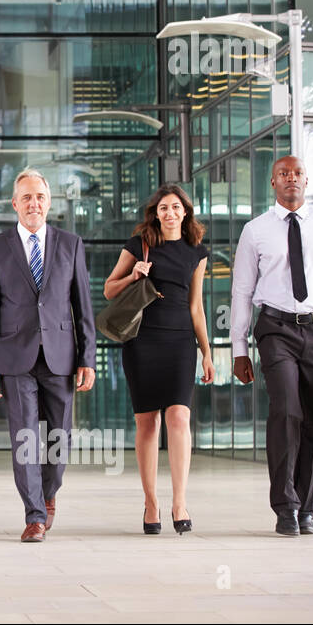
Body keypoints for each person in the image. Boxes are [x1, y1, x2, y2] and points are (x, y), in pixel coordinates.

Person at [230, 155, 313, 536]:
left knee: (312, 421)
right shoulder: (255, 230)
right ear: (272, 182)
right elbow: (241, 290)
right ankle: (285, 506)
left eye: (298, 173)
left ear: (307, 181)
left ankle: (307, 507)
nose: (291, 179)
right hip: (276, 329)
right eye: (283, 174)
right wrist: (239, 347)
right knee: (286, 410)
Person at [0, 168, 95, 543]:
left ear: (49, 203)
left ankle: (48, 492)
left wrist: (87, 358)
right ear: (15, 204)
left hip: (61, 355)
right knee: (25, 436)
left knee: (59, 437)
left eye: (40, 197)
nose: (34, 204)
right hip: (14, 358)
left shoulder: (71, 244)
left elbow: (83, 307)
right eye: (26, 197)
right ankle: (34, 516)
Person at [103, 184, 213, 535]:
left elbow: (196, 306)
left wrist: (207, 352)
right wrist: (134, 274)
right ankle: (151, 502)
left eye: (176, 207)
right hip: (142, 340)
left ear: (185, 212)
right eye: (163, 207)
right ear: (156, 213)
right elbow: (109, 288)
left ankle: (179, 501)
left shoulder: (197, 251)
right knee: (147, 423)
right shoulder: (139, 245)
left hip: (181, 341)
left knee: (179, 417)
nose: (169, 213)